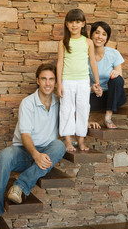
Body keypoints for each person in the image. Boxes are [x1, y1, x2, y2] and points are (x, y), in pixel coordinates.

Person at [0, 64, 66, 227]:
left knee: (59, 146)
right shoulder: (27, 103)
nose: (48, 83)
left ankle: (19, 187)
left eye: (51, 79)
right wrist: (36, 155)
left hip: (47, 151)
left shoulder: (60, 102)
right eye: (44, 79)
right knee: (4, 155)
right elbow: (25, 135)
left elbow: (73, 118)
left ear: (56, 82)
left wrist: (88, 122)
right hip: (24, 152)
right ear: (37, 81)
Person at [56, 8, 102, 152]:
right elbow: (60, 63)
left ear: (83, 24)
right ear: (66, 24)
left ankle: (81, 141)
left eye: (77, 22)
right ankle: (68, 141)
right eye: (71, 22)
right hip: (67, 81)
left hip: (83, 81)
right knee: (66, 110)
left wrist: (97, 82)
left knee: (83, 110)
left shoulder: (88, 42)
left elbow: (93, 62)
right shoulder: (63, 42)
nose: (74, 25)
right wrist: (58, 83)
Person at [88, 21, 126, 129]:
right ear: (91, 35)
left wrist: (116, 73)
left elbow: (120, 81)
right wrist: (92, 89)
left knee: (116, 78)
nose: (100, 37)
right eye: (97, 33)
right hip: (98, 96)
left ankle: (108, 118)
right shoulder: (84, 57)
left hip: (114, 96)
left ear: (107, 38)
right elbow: (82, 83)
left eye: (104, 34)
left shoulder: (114, 54)